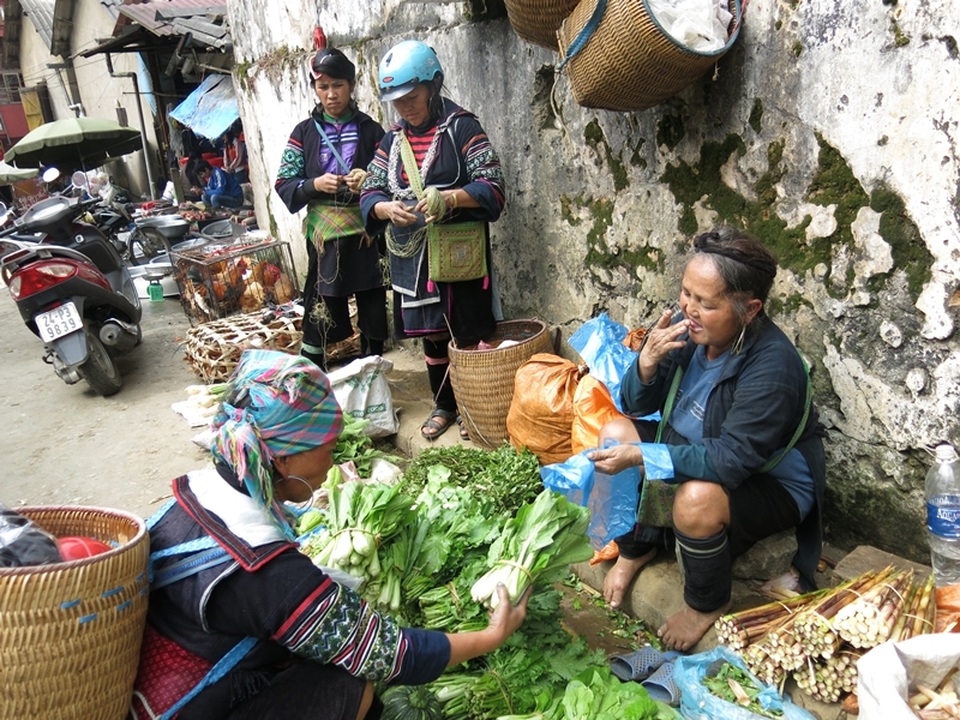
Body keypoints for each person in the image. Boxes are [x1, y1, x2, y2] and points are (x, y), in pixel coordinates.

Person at [132, 349, 529, 720]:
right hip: (189, 705)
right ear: (284, 458)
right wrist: (492, 635)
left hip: (160, 687)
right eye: (328, 447)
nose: (334, 460)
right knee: (350, 686)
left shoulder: (193, 493)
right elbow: (389, 655)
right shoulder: (265, 571)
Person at [588, 227, 826, 652]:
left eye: (706, 303)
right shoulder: (689, 330)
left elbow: (731, 461)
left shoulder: (772, 367)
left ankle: (705, 604)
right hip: (702, 447)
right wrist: (646, 362)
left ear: (750, 309)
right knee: (614, 433)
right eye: (686, 294)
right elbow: (633, 404)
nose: (688, 309)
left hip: (769, 482)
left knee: (695, 499)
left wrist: (647, 456)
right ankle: (634, 548)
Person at [359, 40, 505, 441]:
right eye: (396, 100)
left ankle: (474, 408)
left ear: (434, 85)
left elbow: (494, 188)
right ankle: (443, 404)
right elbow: (369, 190)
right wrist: (385, 209)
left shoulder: (462, 128)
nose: (404, 107)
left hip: (458, 253)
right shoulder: (393, 141)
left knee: (468, 332)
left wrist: (451, 197)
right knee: (433, 333)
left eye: (412, 97)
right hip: (413, 260)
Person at [275, 48, 389, 370]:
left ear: (351, 86)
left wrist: (368, 179)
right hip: (325, 235)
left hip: (367, 230)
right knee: (320, 300)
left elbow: (392, 177)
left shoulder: (371, 130)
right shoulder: (304, 133)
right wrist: (314, 185)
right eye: (323, 87)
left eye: (337, 85)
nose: (331, 94)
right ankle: (311, 373)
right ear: (315, 90)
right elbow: (284, 182)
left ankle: (373, 372)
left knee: (372, 301)